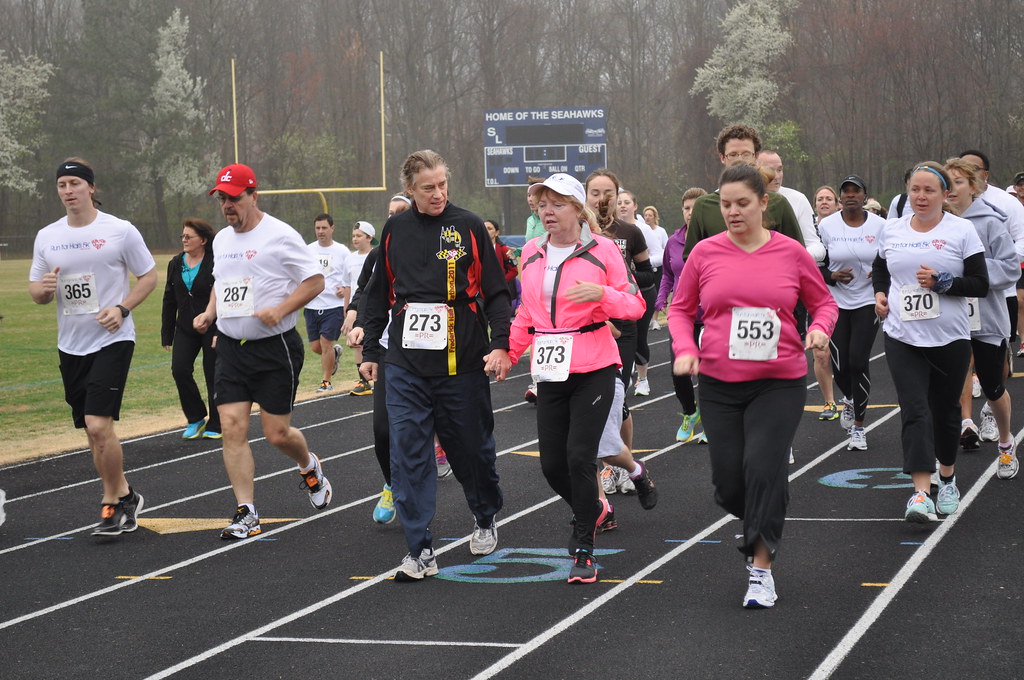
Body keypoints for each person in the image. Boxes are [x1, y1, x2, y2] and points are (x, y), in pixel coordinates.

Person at [669, 163, 837, 609]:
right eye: (725, 204)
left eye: (742, 203)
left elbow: (823, 303)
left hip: (778, 382)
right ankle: (763, 509)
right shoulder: (704, 253)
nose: (733, 212)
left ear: (764, 203)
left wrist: (820, 330)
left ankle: (760, 569)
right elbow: (680, 310)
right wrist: (685, 347)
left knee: (764, 469)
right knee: (729, 482)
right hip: (720, 383)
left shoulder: (790, 253)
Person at [360, 149, 512, 582]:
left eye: (443, 184)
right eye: (428, 187)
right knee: (407, 451)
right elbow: (377, 294)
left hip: (461, 357)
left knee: (470, 450)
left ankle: (485, 514)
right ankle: (420, 548)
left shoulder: (467, 226)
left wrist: (499, 344)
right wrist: (372, 350)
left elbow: (497, 293)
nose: (438, 193)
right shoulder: (395, 229)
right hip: (406, 362)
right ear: (409, 190)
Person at [507, 173, 651, 583]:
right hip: (550, 368)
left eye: (556, 204)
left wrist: (601, 295)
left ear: (576, 208)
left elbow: (635, 304)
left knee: (579, 457)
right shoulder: (531, 251)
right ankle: (593, 507)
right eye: (541, 205)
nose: (547, 212)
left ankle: (584, 549)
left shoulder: (602, 249)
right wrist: (509, 351)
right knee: (552, 465)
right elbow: (526, 313)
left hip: (594, 366)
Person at [193, 163, 333, 539]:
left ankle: (308, 466)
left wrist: (281, 309)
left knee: (276, 433)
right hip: (231, 350)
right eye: (222, 199)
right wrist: (209, 313)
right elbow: (222, 283)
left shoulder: (281, 236)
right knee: (232, 427)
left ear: (254, 196)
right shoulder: (221, 240)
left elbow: (316, 281)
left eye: (234, 198)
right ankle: (247, 512)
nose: (227, 206)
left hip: (275, 349)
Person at [29, 158, 157, 536]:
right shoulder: (47, 235)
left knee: (99, 424)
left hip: (113, 338)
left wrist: (122, 308)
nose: (68, 191)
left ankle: (111, 502)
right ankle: (126, 494)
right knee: (91, 429)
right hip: (71, 344)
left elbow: (148, 275)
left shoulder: (119, 230)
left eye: (74, 183)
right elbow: (36, 290)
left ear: (91, 187)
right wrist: (43, 291)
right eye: (62, 185)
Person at [872, 162, 989, 522]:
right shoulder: (891, 230)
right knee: (914, 409)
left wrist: (942, 282)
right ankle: (920, 493)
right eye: (915, 191)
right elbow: (880, 268)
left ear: (944, 195)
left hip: (949, 337)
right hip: (902, 336)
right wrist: (879, 294)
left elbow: (980, 284)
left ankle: (948, 478)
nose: (921, 197)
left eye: (929, 191)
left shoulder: (962, 230)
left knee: (945, 411)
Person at [943, 158, 1019, 479]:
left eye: (959, 182)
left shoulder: (990, 222)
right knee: (944, 388)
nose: (952, 189)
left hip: (986, 317)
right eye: (948, 183)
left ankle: (1005, 442)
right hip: (947, 318)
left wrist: (973, 273)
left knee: (991, 385)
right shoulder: (936, 223)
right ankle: (945, 457)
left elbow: (1011, 268)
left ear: (973, 187)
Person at [817, 175, 886, 450]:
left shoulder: (881, 225)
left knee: (858, 361)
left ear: (864, 196)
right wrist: (832, 276)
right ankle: (849, 398)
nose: (849, 196)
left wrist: (881, 271)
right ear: (840, 198)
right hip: (835, 301)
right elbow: (815, 264)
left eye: (855, 191)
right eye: (845, 192)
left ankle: (859, 426)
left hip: (867, 300)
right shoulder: (826, 225)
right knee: (840, 365)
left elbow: (892, 256)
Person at [683, 124, 804, 258]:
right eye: (733, 154)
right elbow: (691, 259)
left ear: (756, 156)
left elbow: (797, 255)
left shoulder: (777, 203)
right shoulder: (703, 206)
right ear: (722, 157)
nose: (740, 159)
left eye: (746, 154)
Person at [161, 218, 222, 439]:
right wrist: (166, 333)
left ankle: (217, 422)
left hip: (213, 326)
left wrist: (214, 321)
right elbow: (169, 299)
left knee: (213, 372)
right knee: (180, 370)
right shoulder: (176, 263)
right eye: (183, 236)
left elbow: (222, 295)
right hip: (185, 328)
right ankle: (196, 416)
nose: (184, 240)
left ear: (203, 240)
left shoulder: (215, 262)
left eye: (189, 236)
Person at [656, 187, 708, 443]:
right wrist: (660, 297)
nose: (691, 213)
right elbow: (667, 273)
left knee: (710, 371)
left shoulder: (715, 239)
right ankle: (690, 411)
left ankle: (711, 420)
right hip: (682, 314)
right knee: (679, 370)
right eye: (687, 208)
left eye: (697, 208)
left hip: (711, 315)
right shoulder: (674, 241)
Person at [617, 189, 660, 396]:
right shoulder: (608, 230)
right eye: (619, 202)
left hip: (643, 290)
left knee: (639, 338)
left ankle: (643, 379)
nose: (623, 205)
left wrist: (632, 270)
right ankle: (621, 376)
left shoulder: (642, 229)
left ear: (635, 206)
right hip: (619, 294)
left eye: (627, 202)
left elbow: (659, 255)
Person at [304, 213, 350, 393]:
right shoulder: (308, 250)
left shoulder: (342, 251)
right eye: (318, 228)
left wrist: (344, 290)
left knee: (325, 344)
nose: (321, 232)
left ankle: (326, 381)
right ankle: (335, 354)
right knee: (316, 347)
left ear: (332, 228)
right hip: (312, 306)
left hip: (333, 306)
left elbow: (349, 276)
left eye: (324, 228)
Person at [758, 150, 825, 262]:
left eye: (780, 170)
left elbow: (817, 246)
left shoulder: (798, 199)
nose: (776, 176)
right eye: (769, 170)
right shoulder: (738, 198)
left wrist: (794, 256)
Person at [812, 185, 841, 419]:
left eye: (828, 199)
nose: (824, 202)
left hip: (844, 298)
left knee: (846, 355)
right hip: (816, 297)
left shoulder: (845, 228)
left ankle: (850, 396)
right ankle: (829, 401)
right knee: (821, 352)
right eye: (820, 199)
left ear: (837, 203)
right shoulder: (810, 231)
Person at [345, 221, 376, 396]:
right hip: (358, 306)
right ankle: (363, 380)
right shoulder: (349, 258)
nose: (355, 239)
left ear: (369, 237)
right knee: (357, 343)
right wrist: (349, 309)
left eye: (359, 235)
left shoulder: (375, 255)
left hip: (373, 305)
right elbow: (352, 286)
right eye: (354, 235)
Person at [484, 218, 520, 310]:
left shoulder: (504, 249)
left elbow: (514, 271)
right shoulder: (476, 249)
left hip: (500, 292)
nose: (486, 231)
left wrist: (501, 282)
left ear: (496, 233)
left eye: (489, 228)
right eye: (484, 228)